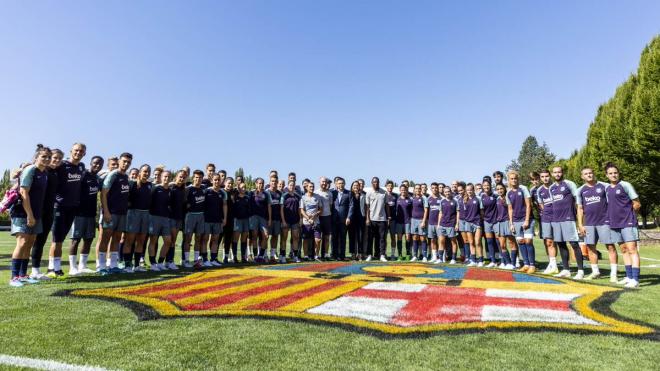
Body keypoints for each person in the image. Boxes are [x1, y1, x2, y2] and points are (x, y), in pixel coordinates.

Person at [9, 145, 51, 286]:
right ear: (36, 157)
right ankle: (14, 277)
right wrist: (29, 215)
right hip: (23, 212)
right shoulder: (31, 170)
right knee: (22, 243)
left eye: (48, 157)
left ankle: (23, 275)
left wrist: (35, 215)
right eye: (43, 156)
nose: (46, 159)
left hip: (36, 213)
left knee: (29, 243)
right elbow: (24, 192)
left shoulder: (44, 173)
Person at [48, 143, 86, 277]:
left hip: (73, 208)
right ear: (71, 151)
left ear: (84, 154)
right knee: (56, 239)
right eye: (76, 150)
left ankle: (55, 267)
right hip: (59, 206)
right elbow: (47, 166)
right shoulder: (61, 165)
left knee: (61, 238)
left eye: (81, 151)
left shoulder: (82, 167)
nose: (78, 153)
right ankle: (52, 268)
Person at [604, 163, 641, 288]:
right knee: (624, 250)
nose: (613, 175)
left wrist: (630, 216)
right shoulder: (607, 189)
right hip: (614, 224)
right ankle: (629, 276)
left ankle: (635, 279)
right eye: (611, 173)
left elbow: (636, 204)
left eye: (615, 172)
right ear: (606, 175)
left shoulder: (625, 185)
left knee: (632, 250)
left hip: (628, 222)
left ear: (618, 173)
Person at [577, 167, 617, 281]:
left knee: (610, 246)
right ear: (582, 176)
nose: (589, 175)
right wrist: (580, 224)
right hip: (589, 223)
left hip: (604, 222)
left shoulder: (604, 186)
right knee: (590, 247)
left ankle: (613, 274)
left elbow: (612, 203)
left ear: (594, 174)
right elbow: (580, 208)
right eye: (586, 174)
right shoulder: (580, 190)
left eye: (590, 173)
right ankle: (595, 272)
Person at [98, 152, 133, 274]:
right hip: (111, 213)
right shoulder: (113, 174)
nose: (126, 164)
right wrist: (106, 211)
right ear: (119, 161)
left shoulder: (126, 177)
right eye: (124, 161)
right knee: (105, 239)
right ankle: (101, 266)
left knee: (117, 239)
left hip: (122, 214)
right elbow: (103, 193)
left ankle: (113, 265)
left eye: (128, 162)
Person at [30, 148, 62, 279]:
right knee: (30, 241)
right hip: (36, 211)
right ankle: (23, 272)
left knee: (41, 241)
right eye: (54, 157)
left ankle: (36, 271)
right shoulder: (38, 170)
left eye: (59, 159)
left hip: (49, 211)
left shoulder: (56, 173)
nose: (55, 160)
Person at [68, 155, 103, 275]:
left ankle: (83, 265)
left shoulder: (98, 179)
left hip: (91, 214)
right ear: (91, 163)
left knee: (88, 240)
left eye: (100, 164)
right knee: (75, 240)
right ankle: (73, 267)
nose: (97, 166)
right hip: (78, 213)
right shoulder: (83, 175)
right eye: (95, 163)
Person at [548, 166, 584, 279]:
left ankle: (581, 270)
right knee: (561, 244)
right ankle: (566, 269)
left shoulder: (569, 184)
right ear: (552, 174)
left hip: (569, 218)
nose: (557, 174)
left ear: (562, 173)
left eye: (559, 172)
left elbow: (578, 201)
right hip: (556, 220)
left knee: (574, 244)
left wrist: (579, 219)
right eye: (555, 172)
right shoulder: (552, 188)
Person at [122, 164, 152, 273]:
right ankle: (127, 265)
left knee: (141, 241)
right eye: (144, 171)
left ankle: (137, 265)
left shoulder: (150, 185)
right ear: (140, 172)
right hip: (133, 213)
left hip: (145, 214)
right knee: (129, 240)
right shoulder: (131, 184)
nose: (146, 173)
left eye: (148, 171)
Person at [506, 171, 535, 273]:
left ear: (518, 179)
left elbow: (528, 205)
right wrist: (511, 223)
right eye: (511, 179)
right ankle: (526, 264)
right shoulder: (508, 193)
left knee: (528, 241)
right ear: (509, 180)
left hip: (527, 219)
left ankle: (532, 265)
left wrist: (527, 220)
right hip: (516, 221)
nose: (514, 180)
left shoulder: (523, 189)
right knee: (520, 242)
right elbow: (510, 209)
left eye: (515, 178)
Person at [147, 169, 173, 271]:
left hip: (166, 219)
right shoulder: (155, 188)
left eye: (168, 177)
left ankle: (160, 263)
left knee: (168, 241)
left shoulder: (171, 191)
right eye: (165, 176)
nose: (166, 178)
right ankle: (153, 263)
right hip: (154, 217)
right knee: (153, 241)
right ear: (161, 177)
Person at [202, 173, 227, 267]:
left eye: (218, 180)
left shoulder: (222, 192)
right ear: (212, 181)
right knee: (205, 239)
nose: (217, 182)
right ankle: (204, 259)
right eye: (215, 180)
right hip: (207, 219)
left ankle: (213, 259)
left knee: (215, 240)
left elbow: (224, 205)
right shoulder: (207, 191)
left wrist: (224, 218)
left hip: (217, 220)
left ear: (220, 181)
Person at [536, 170, 558, 275]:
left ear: (550, 176)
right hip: (546, 219)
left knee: (561, 242)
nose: (545, 178)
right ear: (540, 178)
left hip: (558, 218)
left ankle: (565, 265)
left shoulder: (555, 187)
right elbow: (541, 205)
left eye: (547, 176)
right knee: (549, 242)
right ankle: (553, 265)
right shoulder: (539, 190)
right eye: (542, 176)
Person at [183, 170, 206, 269]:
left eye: (200, 178)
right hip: (190, 215)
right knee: (188, 238)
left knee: (198, 238)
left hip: (201, 215)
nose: (198, 179)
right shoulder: (188, 189)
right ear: (193, 178)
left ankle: (196, 260)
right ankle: (186, 260)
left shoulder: (204, 189)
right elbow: (183, 203)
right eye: (196, 177)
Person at [365, 177, 389, 262]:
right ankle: (369, 255)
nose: (376, 184)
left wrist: (388, 217)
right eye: (374, 182)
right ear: (372, 183)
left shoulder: (384, 192)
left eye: (377, 182)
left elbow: (386, 205)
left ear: (379, 183)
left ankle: (382, 255)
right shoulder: (368, 193)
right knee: (370, 238)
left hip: (382, 219)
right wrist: (367, 218)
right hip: (372, 219)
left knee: (382, 238)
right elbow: (367, 207)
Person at [166, 170, 186, 270]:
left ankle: (169, 261)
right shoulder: (171, 188)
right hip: (171, 217)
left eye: (183, 177)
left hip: (179, 217)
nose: (181, 179)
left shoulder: (183, 190)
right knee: (170, 240)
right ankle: (168, 261)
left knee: (174, 240)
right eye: (180, 177)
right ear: (176, 177)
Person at [460, 183, 484, 266]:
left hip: (477, 222)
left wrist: (480, 221)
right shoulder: (464, 199)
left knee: (478, 242)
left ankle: (481, 260)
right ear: (466, 191)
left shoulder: (478, 199)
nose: (469, 191)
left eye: (471, 189)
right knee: (471, 242)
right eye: (468, 190)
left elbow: (481, 212)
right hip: (468, 223)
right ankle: (473, 260)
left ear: (473, 190)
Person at [249, 178, 272, 262]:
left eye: (262, 183)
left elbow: (269, 207)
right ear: (256, 184)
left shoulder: (266, 194)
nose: (260, 185)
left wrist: (269, 219)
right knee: (254, 237)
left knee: (266, 236)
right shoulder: (251, 193)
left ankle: (261, 255)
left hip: (263, 218)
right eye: (259, 183)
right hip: (253, 217)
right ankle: (255, 256)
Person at [300, 181, 323, 261]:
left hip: (316, 221)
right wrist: (308, 218)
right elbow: (302, 210)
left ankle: (316, 255)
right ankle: (306, 256)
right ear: (306, 188)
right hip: (306, 222)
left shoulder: (318, 197)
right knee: (306, 239)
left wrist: (314, 215)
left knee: (318, 239)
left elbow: (321, 209)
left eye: (313, 186)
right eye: (310, 187)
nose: (312, 188)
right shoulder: (303, 197)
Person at [280, 181, 302, 262]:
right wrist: (283, 221)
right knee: (284, 238)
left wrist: (300, 219)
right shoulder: (284, 196)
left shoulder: (298, 196)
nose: (292, 186)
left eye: (293, 185)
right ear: (287, 186)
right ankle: (283, 256)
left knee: (295, 238)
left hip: (295, 220)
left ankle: (295, 256)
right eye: (290, 185)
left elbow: (300, 209)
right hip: (286, 220)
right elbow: (281, 209)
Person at [494, 184, 515, 269]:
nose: (499, 190)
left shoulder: (508, 197)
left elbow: (512, 210)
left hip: (508, 222)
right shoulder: (497, 199)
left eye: (501, 189)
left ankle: (513, 263)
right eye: (498, 189)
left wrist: (511, 223)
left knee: (511, 243)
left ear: (504, 189)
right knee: (502, 245)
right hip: (499, 223)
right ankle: (508, 263)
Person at [438, 186, 459, 264]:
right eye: (446, 192)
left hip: (451, 224)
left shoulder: (455, 201)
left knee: (453, 241)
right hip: (442, 224)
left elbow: (458, 213)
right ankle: (440, 259)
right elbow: (440, 213)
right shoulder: (442, 201)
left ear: (451, 192)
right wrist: (438, 224)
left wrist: (457, 224)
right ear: (444, 192)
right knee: (441, 241)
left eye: (448, 191)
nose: (447, 193)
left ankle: (453, 258)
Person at [331, 177, 351, 261]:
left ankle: (342, 255)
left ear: (344, 184)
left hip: (344, 219)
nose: (341, 185)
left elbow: (351, 206)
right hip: (334, 219)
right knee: (334, 238)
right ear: (336, 184)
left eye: (342, 183)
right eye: (339, 183)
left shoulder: (348, 193)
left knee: (342, 238)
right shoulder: (333, 193)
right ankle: (334, 255)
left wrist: (349, 217)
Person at [480, 180, 499, 267]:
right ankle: (493, 261)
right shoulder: (481, 196)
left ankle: (502, 260)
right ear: (482, 186)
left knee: (499, 241)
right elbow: (481, 210)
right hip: (487, 221)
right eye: (484, 185)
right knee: (489, 241)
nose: (486, 187)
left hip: (496, 221)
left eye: (487, 185)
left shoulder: (495, 195)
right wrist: (484, 219)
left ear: (490, 186)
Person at [232, 182, 252, 262]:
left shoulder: (248, 198)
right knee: (235, 239)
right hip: (237, 220)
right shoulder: (235, 198)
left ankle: (243, 257)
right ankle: (235, 256)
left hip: (246, 220)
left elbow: (250, 209)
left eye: (245, 187)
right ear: (238, 188)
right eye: (242, 187)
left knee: (244, 239)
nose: (243, 189)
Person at [315, 177, 333, 259]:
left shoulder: (329, 193)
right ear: (319, 182)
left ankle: (326, 254)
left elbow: (330, 205)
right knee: (318, 239)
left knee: (326, 237)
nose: (324, 183)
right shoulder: (316, 193)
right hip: (318, 218)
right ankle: (316, 255)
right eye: (322, 181)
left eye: (325, 182)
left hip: (327, 217)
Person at [347, 181, 366, 260]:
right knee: (351, 237)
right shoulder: (349, 194)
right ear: (352, 186)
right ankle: (353, 254)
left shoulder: (363, 195)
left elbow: (366, 206)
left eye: (357, 185)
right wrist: (348, 217)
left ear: (359, 186)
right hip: (351, 219)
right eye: (354, 185)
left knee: (360, 237)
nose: (356, 186)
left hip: (360, 218)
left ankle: (360, 254)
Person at [409, 184, 428, 262]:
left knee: (422, 238)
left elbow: (426, 210)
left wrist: (424, 221)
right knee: (415, 238)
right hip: (413, 220)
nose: (418, 190)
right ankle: (415, 256)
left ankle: (424, 256)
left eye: (419, 188)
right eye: (416, 188)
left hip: (421, 220)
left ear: (421, 189)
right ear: (414, 190)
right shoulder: (412, 198)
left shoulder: (424, 198)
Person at [394, 184, 413, 261]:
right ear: (400, 190)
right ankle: (400, 255)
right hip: (399, 222)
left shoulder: (409, 200)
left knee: (408, 238)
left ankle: (408, 254)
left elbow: (412, 211)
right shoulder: (397, 199)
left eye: (404, 190)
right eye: (402, 190)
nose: (403, 191)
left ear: (406, 190)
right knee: (399, 238)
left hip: (407, 222)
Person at [267, 176, 283, 261]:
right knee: (265, 237)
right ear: (270, 182)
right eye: (272, 181)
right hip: (268, 219)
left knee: (275, 236)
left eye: (275, 181)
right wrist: (268, 218)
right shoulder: (266, 192)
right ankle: (264, 254)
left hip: (277, 219)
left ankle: (272, 255)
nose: (274, 183)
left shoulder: (280, 193)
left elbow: (281, 207)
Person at [221, 177, 236, 263]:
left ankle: (226, 257)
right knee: (218, 238)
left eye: (231, 183)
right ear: (225, 183)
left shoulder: (234, 192)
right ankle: (212, 257)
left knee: (228, 239)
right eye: (228, 183)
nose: (230, 185)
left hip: (230, 219)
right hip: (221, 219)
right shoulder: (221, 191)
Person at [426, 183, 442, 263]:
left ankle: (440, 256)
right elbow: (426, 211)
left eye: (436, 188)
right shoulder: (428, 199)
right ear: (431, 189)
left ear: (438, 189)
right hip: (431, 223)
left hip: (439, 223)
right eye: (433, 188)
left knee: (440, 240)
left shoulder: (442, 199)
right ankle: (434, 256)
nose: (434, 189)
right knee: (432, 240)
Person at [384, 180, 399, 260]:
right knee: (384, 237)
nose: (390, 187)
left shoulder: (396, 196)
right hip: (384, 219)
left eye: (391, 186)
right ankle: (385, 254)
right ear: (386, 186)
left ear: (393, 187)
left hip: (393, 220)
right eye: (388, 186)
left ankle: (393, 254)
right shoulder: (383, 195)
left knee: (393, 237)